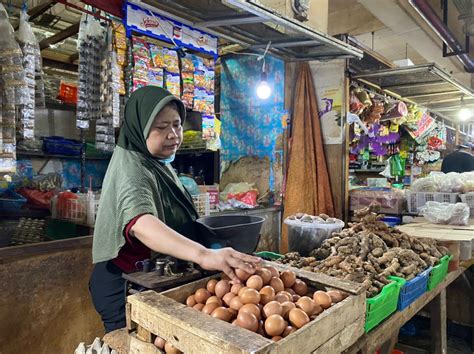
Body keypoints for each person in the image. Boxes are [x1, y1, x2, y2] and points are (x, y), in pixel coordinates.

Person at [89, 86, 260, 333]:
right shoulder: (132, 168)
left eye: (177, 125)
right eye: (161, 127)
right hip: (123, 284)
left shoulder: (156, 161)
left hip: (146, 277)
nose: (173, 135)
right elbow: (141, 223)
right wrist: (203, 255)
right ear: (139, 127)